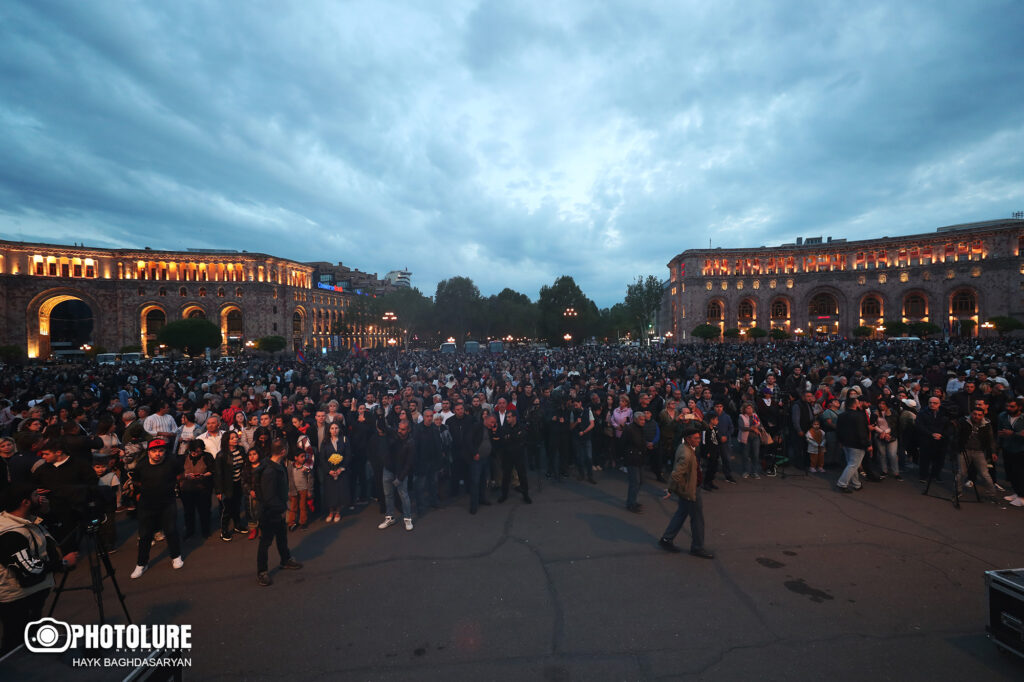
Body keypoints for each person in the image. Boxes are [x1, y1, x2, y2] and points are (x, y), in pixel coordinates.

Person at [0, 483, 78, 655]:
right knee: (15, 641)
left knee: (30, 630)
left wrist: (47, 512)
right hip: (18, 597)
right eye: (36, 495)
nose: (41, 498)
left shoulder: (27, 521)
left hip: (32, 592)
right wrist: (63, 563)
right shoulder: (10, 533)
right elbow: (29, 569)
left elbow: (53, 534)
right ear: (25, 502)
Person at [130, 439, 184, 579]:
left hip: (168, 502)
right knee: (145, 535)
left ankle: (176, 556)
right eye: (154, 451)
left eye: (161, 451)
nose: (157, 454)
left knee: (171, 530)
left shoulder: (172, 462)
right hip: (147, 504)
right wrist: (140, 492)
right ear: (148, 452)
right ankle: (141, 563)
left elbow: (180, 475)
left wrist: (173, 486)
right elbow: (136, 481)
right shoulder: (141, 466)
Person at [658, 424, 714, 559]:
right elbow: (676, 473)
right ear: (688, 439)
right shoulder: (687, 454)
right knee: (698, 520)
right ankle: (697, 547)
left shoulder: (684, 447)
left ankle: (666, 539)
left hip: (687, 488)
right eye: (696, 438)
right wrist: (670, 489)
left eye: (699, 437)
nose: (698, 440)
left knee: (681, 513)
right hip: (691, 490)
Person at [256, 439, 303, 586]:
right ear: (283, 451)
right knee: (265, 542)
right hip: (270, 513)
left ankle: (285, 559)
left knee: (282, 537)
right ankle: (262, 572)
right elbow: (269, 496)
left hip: (277, 509)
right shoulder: (270, 471)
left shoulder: (275, 464)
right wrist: (282, 510)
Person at [956, 406, 999, 503]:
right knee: (961, 473)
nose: (976, 416)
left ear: (983, 415)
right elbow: (956, 435)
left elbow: (991, 439)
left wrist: (993, 452)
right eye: (974, 414)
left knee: (985, 474)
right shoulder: (964, 421)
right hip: (964, 450)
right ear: (971, 413)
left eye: (979, 415)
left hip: (979, 451)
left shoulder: (986, 424)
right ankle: (958, 491)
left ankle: (992, 494)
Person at [379, 420, 415, 529]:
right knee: (388, 495)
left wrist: (400, 478)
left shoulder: (411, 442)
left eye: (403, 429)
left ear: (409, 430)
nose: (400, 431)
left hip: (400, 472)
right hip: (388, 469)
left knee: (404, 496)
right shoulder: (394, 434)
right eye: (399, 428)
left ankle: (408, 519)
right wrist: (380, 416)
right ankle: (389, 517)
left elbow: (409, 463)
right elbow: (382, 427)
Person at [215, 431, 247, 540]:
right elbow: (218, 474)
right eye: (232, 438)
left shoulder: (241, 450)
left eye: (235, 437)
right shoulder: (221, 455)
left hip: (238, 483)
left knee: (237, 506)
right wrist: (218, 491)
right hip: (227, 486)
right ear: (226, 441)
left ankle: (237, 525)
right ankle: (224, 530)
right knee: (226, 509)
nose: (235, 439)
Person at [836, 396, 872, 493]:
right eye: (858, 402)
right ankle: (842, 483)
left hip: (846, 443)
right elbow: (862, 432)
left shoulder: (841, 415)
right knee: (853, 464)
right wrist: (867, 444)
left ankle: (856, 484)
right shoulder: (859, 416)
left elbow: (838, 430)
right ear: (855, 404)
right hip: (857, 444)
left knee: (852, 464)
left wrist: (840, 441)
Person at [180, 440, 214, 540]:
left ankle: (205, 530)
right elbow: (178, 473)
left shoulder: (207, 457)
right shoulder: (183, 458)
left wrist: (203, 475)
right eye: (193, 452)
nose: (195, 454)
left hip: (202, 489)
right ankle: (190, 530)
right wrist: (186, 476)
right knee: (188, 511)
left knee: (204, 511)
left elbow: (212, 470)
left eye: (198, 452)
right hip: (187, 489)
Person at [498, 410, 531, 504]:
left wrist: (510, 437)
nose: (507, 419)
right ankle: (504, 495)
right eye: (507, 417)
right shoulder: (504, 428)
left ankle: (526, 495)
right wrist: (514, 436)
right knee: (506, 476)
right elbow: (503, 440)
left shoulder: (522, 427)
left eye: (509, 417)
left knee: (522, 476)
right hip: (507, 456)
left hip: (519, 456)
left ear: (514, 417)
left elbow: (523, 439)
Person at [320, 422, 349, 523]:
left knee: (339, 492)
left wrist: (341, 468)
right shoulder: (325, 442)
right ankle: (331, 512)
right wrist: (329, 470)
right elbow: (322, 458)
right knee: (330, 492)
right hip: (329, 472)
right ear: (329, 430)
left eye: (336, 428)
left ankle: (338, 512)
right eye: (332, 428)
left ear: (339, 429)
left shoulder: (344, 440)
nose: (334, 430)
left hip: (341, 471)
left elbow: (348, 455)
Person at [623, 411, 652, 512]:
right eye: (641, 419)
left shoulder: (641, 429)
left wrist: (646, 444)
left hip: (640, 458)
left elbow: (641, 441)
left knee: (641, 482)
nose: (643, 421)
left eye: (644, 419)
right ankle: (630, 504)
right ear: (635, 419)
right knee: (635, 482)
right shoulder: (629, 429)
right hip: (632, 458)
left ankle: (633, 500)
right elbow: (623, 442)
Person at [997, 398, 1024, 507]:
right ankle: (1017, 492)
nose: (1009, 408)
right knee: (1010, 473)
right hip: (1007, 448)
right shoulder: (1002, 416)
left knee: (1020, 473)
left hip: (1021, 450)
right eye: (1007, 406)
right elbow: (999, 433)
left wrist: (1013, 434)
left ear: (1019, 407)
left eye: (1012, 406)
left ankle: (1022, 497)